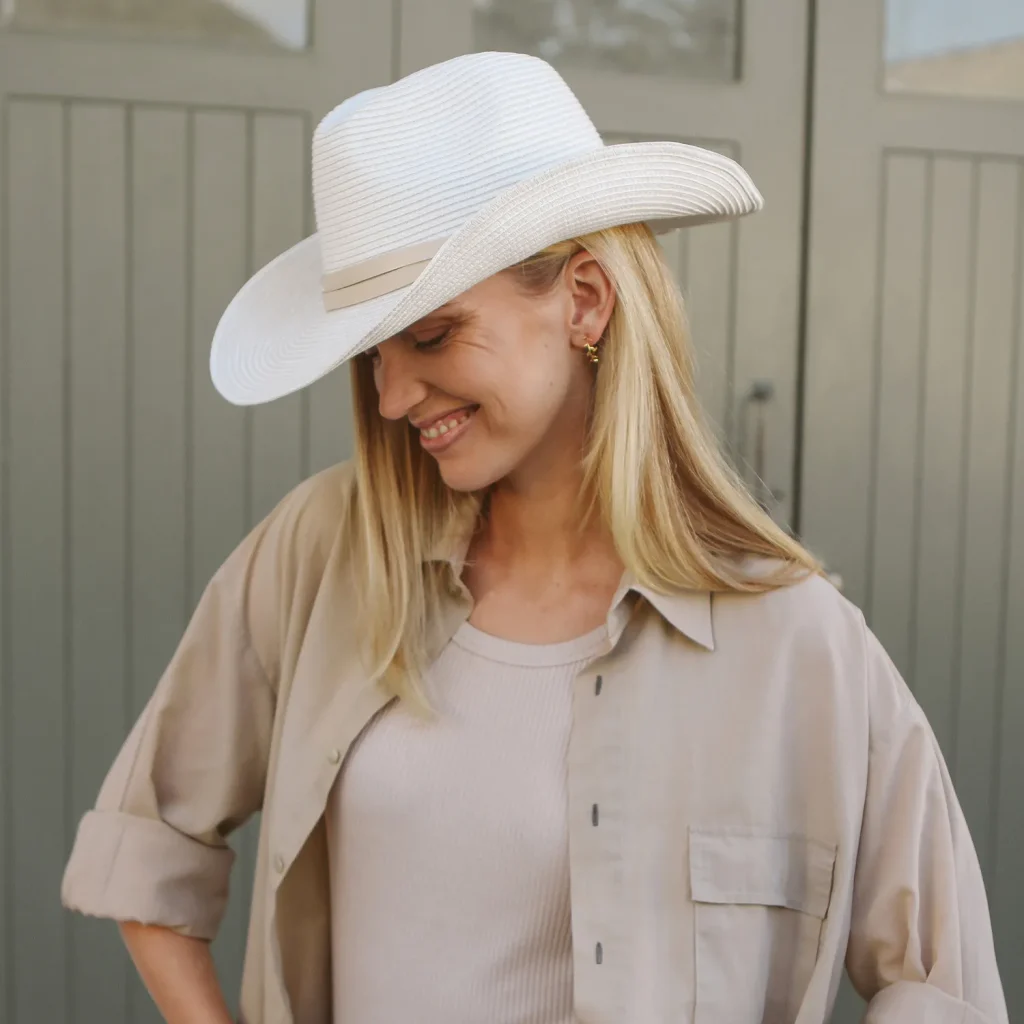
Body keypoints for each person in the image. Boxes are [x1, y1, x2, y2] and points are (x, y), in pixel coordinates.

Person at [61, 51, 1007, 1024]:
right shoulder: (322, 554)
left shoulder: (795, 641)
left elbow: (944, 989)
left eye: (432, 336)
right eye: (373, 355)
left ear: (584, 300)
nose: (390, 397)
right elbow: (145, 844)